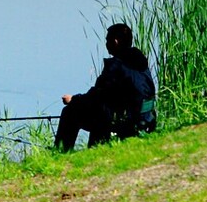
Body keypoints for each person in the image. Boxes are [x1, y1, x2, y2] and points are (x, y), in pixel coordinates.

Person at [55, 23, 156, 151]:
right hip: (146, 119)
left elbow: (95, 95)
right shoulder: (140, 62)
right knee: (102, 108)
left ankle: (61, 152)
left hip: (127, 122)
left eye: (107, 40)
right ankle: (96, 147)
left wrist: (73, 100)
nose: (106, 44)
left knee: (70, 112)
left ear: (115, 41)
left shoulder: (116, 66)